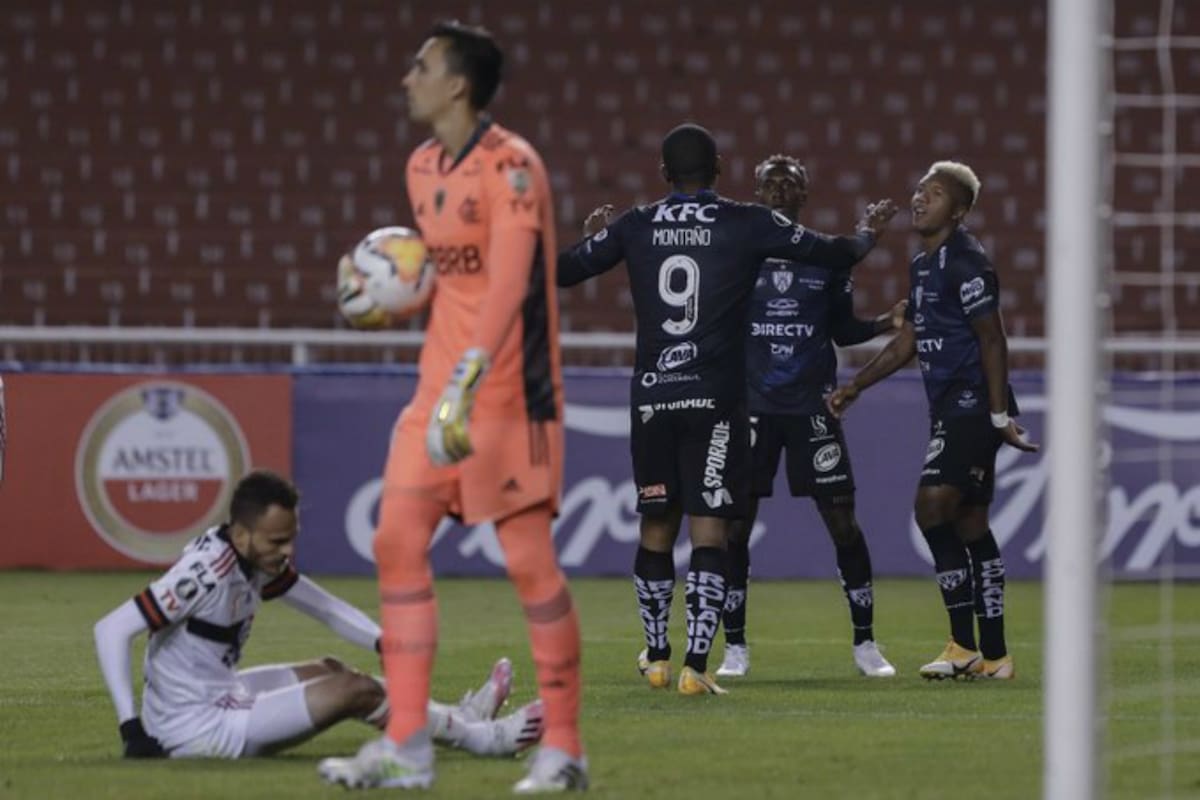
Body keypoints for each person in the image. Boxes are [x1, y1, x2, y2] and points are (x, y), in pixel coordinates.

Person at [319, 21, 585, 793]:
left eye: (421, 65)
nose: (408, 78)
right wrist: (384, 294)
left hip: (508, 395)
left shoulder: (514, 168)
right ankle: (408, 746)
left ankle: (563, 749)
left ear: (458, 83)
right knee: (395, 541)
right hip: (437, 388)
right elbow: (452, 281)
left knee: (529, 563)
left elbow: (507, 284)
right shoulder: (421, 165)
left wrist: (470, 376)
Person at [558, 123, 896, 696]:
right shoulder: (745, 222)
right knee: (713, 531)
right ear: (719, 169)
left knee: (656, 527)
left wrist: (594, 240)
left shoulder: (636, 225)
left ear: (664, 174)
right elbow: (836, 252)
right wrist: (866, 235)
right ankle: (698, 664)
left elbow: (565, 271)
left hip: (654, 398)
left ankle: (658, 656)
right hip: (717, 399)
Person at [93, 470, 544, 760]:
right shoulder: (207, 572)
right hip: (197, 729)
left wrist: (380, 642)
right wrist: (132, 729)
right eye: (277, 542)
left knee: (330, 669)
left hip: (219, 694)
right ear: (243, 533)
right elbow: (112, 629)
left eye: (291, 538)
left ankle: (461, 715)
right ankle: (486, 741)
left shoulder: (249, 558)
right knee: (356, 690)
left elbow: (320, 604)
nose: (287, 551)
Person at [828, 160, 1038, 680]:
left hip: (972, 403)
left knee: (931, 507)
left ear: (960, 210)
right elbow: (910, 341)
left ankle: (962, 645)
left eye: (936, 192)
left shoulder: (967, 262)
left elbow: (993, 338)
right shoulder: (924, 266)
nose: (921, 198)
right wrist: (856, 385)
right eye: (920, 188)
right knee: (969, 521)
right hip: (950, 404)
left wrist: (995, 415)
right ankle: (994, 655)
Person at [715, 154, 905, 680]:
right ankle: (735, 647)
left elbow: (843, 330)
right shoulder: (737, 256)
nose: (777, 190)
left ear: (804, 196)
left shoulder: (827, 259)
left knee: (842, 522)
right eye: (768, 183)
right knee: (734, 529)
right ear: (756, 193)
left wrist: (886, 321)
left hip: (810, 408)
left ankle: (866, 642)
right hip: (751, 408)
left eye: (788, 184)